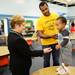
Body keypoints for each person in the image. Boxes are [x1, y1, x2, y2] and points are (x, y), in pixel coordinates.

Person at [36, 1, 60, 67]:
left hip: (56, 42)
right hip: (46, 44)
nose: (45, 11)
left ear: (48, 7)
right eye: (43, 10)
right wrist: (51, 36)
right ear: (40, 11)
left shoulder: (55, 16)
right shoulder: (40, 20)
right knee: (46, 61)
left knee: (56, 60)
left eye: (46, 9)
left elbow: (60, 27)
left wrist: (61, 33)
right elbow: (40, 34)